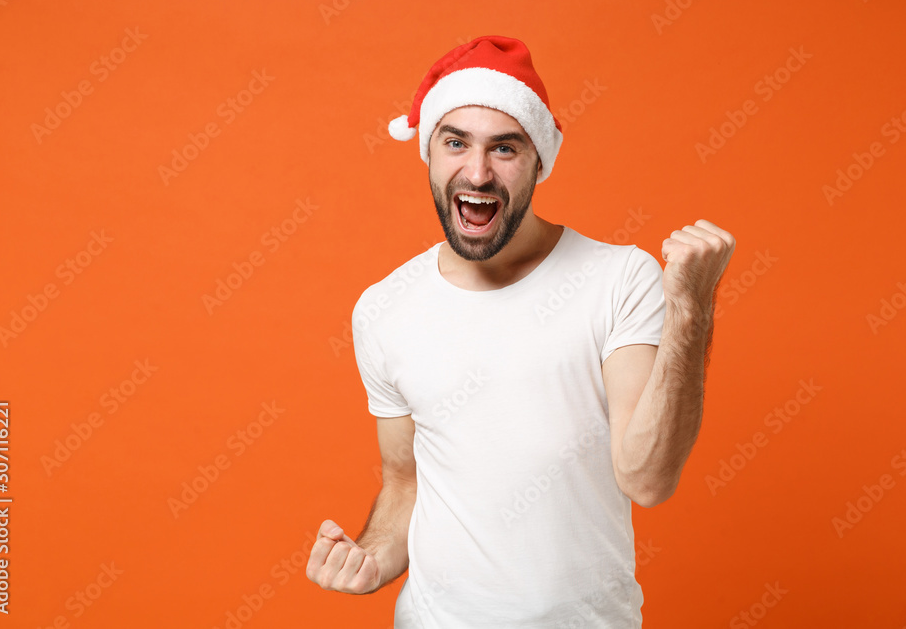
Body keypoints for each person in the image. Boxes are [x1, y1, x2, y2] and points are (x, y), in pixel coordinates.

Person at [307, 35, 735, 627]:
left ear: (539, 161)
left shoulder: (619, 279)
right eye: (456, 142)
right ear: (429, 152)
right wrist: (371, 558)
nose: (477, 172)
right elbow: (405, 485)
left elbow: (647, 478)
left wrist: (691, 308)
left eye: (504, 149)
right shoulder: (384, 308)